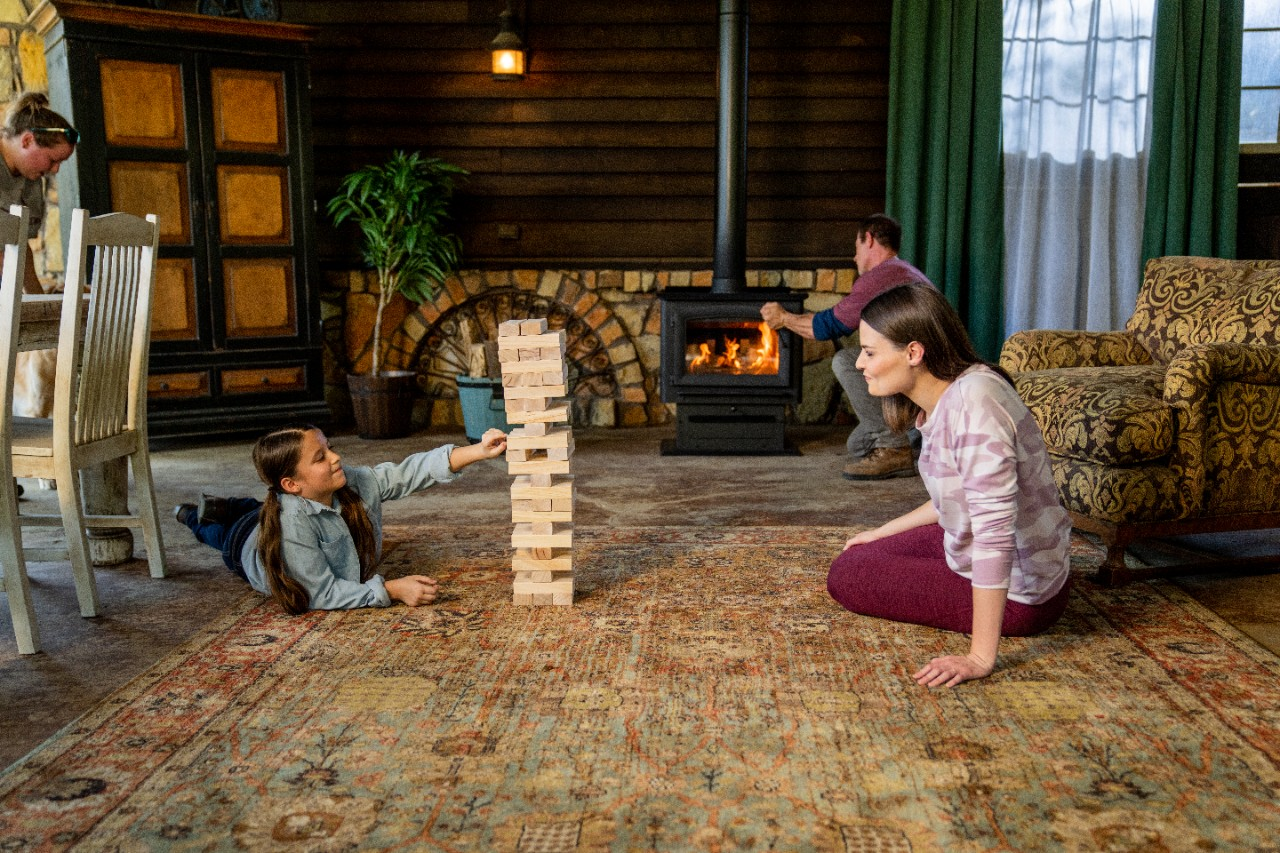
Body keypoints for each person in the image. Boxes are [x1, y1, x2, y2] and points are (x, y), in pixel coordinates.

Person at [826, 283, 1071, 688]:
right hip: (1020, 565)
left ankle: (990, 629)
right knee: (866, 549)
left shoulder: (975, 404)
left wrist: (979, 657)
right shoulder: (950, 395)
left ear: (913, 353)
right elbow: (955, 501)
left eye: (870, 352)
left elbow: (995, 531)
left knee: (848, 574)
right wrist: (882, 531)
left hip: (1024, 597)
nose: (859, 365)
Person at [174, 424, 508, 613]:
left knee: (247, 506)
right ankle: (191, 515)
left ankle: (230, 504)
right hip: (245, 545)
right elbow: (319, 593)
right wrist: (391, 589)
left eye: (329, 448)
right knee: (217, 532)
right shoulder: (292, 524)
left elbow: (408, 473)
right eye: (321, 457)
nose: (336, 458)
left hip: (273, 505)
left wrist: (478, 450)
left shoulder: (348, 480)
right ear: (292, 485)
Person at [760, 213, 933, 481]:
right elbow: (832, 320)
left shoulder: (880, 277)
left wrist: (783, 318)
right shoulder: (903, 271)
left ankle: (894, 447)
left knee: (845, 360)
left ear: (870, 239)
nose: (854, 258)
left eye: (856, 248)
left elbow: (825, 327)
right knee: (857, 447)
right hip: (916, 375)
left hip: (917, 373)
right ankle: (912, 437)